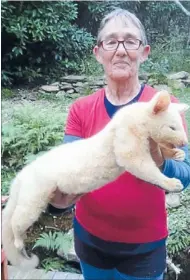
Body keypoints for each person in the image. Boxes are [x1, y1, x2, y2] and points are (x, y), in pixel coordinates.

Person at [49, 8, 190, 280]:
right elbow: (66, 172)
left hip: (144, 248)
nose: (121, 50)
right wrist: (57, 198)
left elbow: (186, 176)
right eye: (111, 41)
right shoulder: (81, 110)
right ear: (98, 53)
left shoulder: (164, 108)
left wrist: (161, 162)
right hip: (90, 241)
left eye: (130, 41)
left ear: (145, 52)